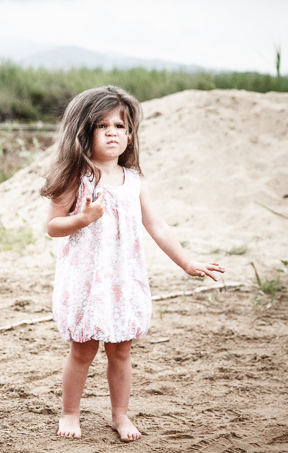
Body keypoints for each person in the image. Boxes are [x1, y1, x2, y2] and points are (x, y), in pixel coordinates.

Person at [40, 86, 224, 442]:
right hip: (86, 280)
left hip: (123, 279)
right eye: (102, 125)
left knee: (121, 351)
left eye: (120, 126)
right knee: (83, 350)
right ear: (83, 130)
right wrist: (84, 218)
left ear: (130, 134)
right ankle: (70, 412)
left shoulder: (133, 180)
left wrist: (187, 262)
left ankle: (120, 415)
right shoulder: (75, 176)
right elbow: (52, 226)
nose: (113, 132)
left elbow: (156, 225)